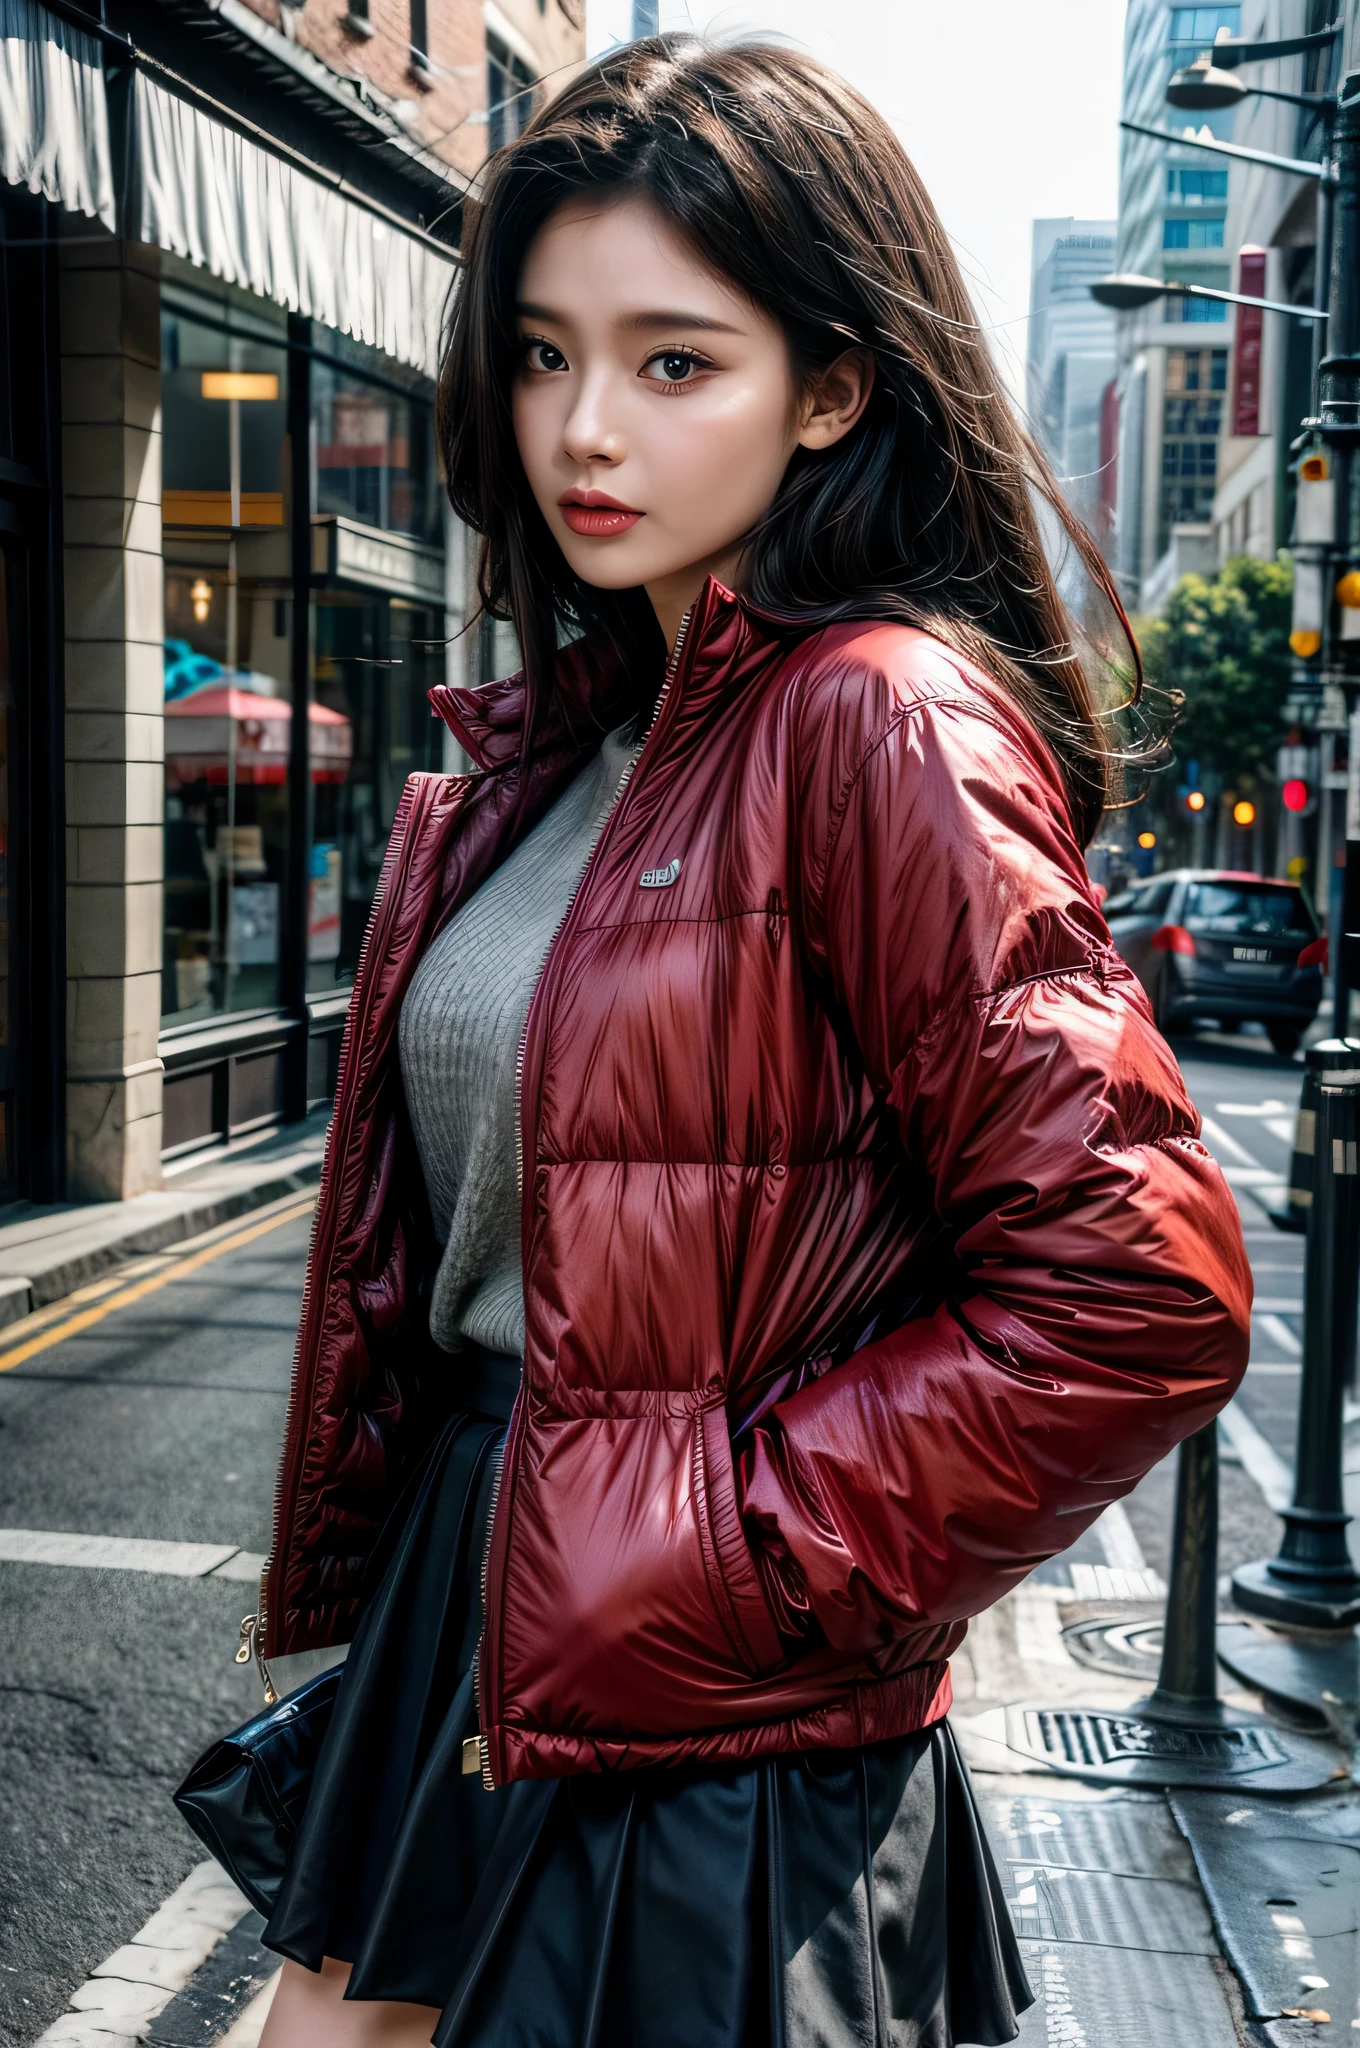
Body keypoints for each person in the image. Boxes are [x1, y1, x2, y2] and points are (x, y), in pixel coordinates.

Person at [249, 35, 1251, 2048]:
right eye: (541, 354)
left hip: (701, 1671)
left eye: (670, 360)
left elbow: (1138, 1293)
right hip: (486, 1595)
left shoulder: (879, 719)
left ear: (830, 386)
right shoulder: (567, 743)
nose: (582, 429)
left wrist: (724, 1550)